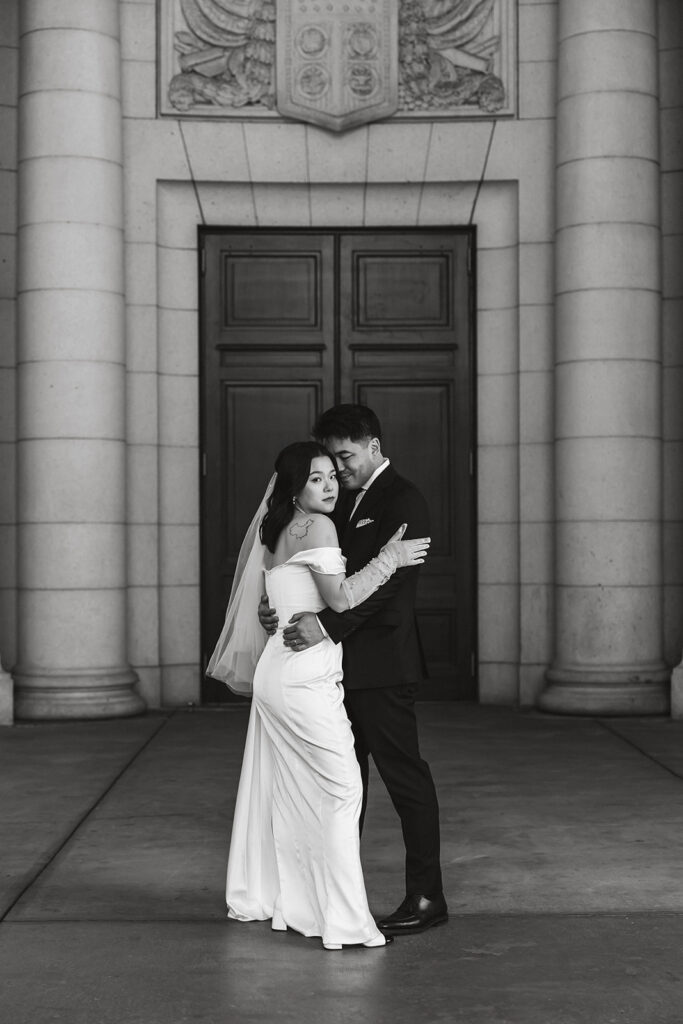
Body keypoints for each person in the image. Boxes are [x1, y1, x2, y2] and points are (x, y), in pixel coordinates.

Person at [207, 441, 430, 951]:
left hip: (277, 674)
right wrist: (390, 557)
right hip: (305, 678)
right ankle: (346, 921)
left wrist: (277, 614)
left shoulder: (277, 529)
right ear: (294, 485)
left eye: (332, 474)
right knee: (342, 791)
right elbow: (341, 598)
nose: (330, 484)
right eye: (316, 478)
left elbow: (274, 599)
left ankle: (299, 907)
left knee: (295, 794)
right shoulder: (321, 527)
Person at [259, 405, 448, 936]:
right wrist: (275, 602)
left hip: (382, 665)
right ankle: (337, 898)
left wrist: (326, 628)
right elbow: (315, 568)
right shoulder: (334, 502)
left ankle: (428, 896)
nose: (338, 471)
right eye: (331, 460)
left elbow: (392, 589)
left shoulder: (403, 499)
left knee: (404, 778)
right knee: (342, 785)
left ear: (373, 446)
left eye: (345, 457)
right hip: (332, 672)